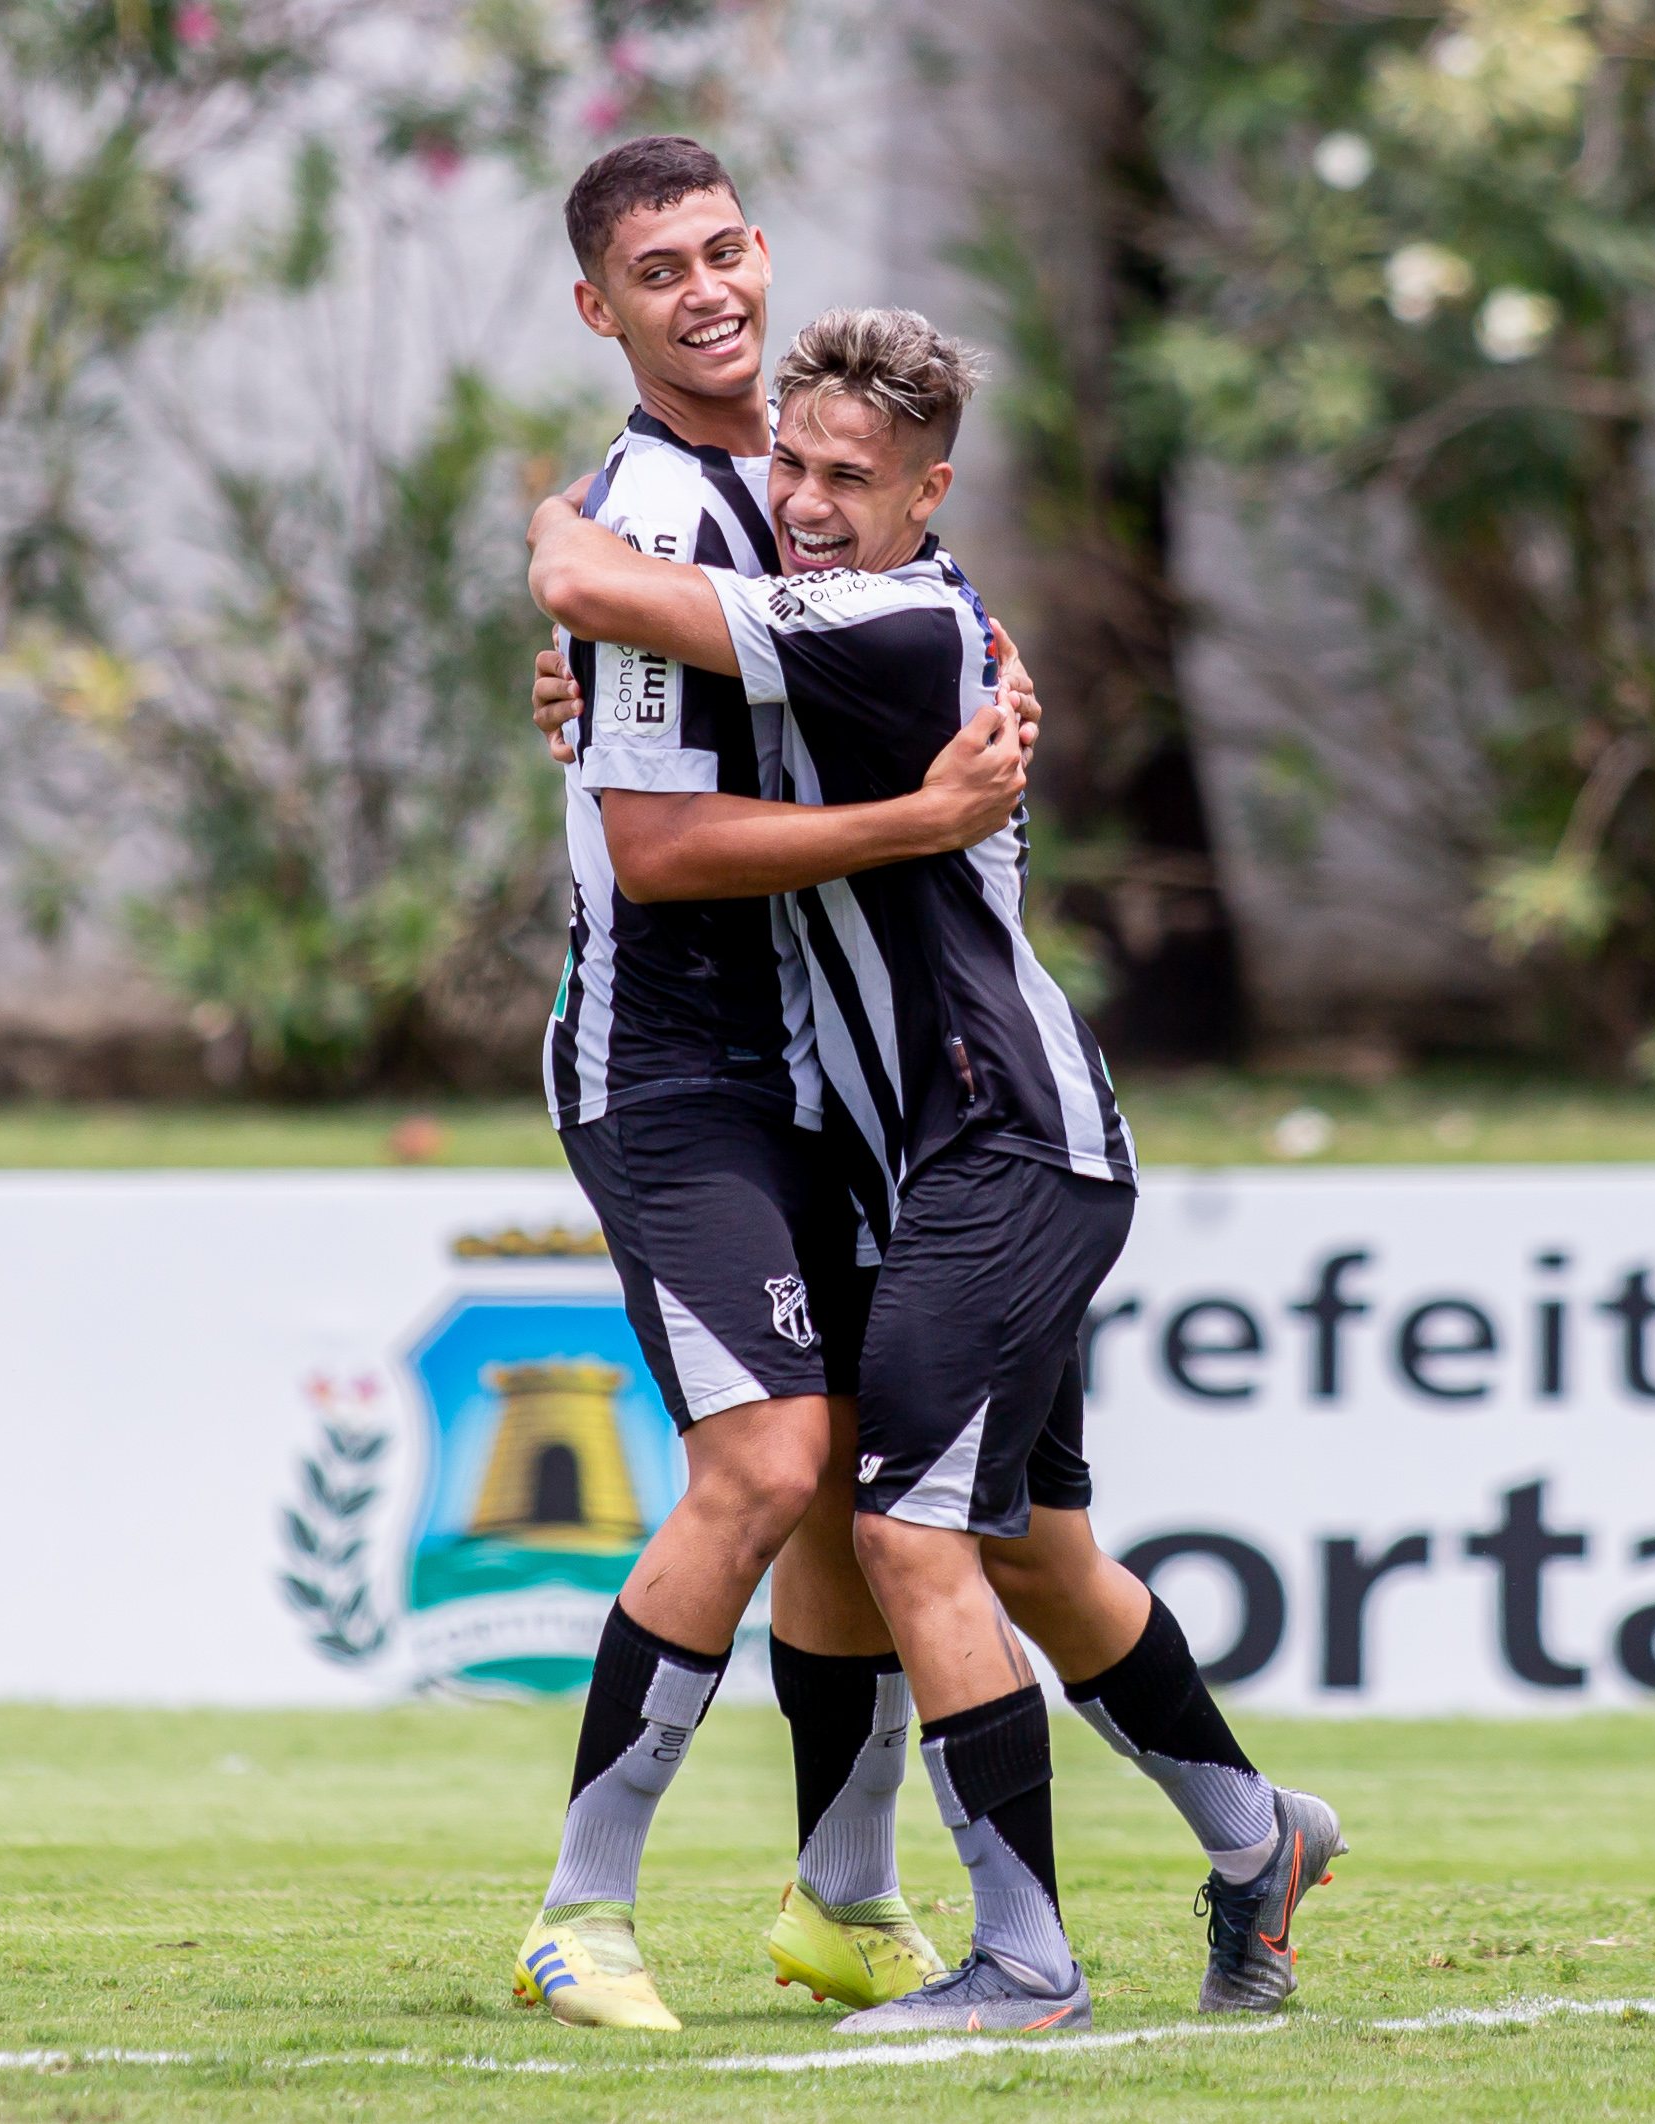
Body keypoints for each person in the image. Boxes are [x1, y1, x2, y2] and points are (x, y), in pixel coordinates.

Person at [523, 306, 1346, 2033]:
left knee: (903, 1528)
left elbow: (608, 596)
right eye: (793, 466)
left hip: (1003, 1143)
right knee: (1038, 1549)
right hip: (952, 1154)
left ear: (930, 491)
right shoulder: (862, 625)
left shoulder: (891, 622)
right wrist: (583, 688)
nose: (811, 500)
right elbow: (653, 692)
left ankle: (1027, 1961)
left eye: (852, 475)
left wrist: (558, 533)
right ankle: (1256, 1839)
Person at [511, 136, 1050, 2034]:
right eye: (658, 270)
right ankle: (582, 1909)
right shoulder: (647, 509)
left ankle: (842, 1902)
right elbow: (652, 850)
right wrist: (924, 808)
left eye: (726, 246)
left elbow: (913, 619)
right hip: (674, 1064)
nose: (708, 288)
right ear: (604, 312)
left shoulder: (809, 471)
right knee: (768, 1462)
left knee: (854, 1492)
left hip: (840, 1062)